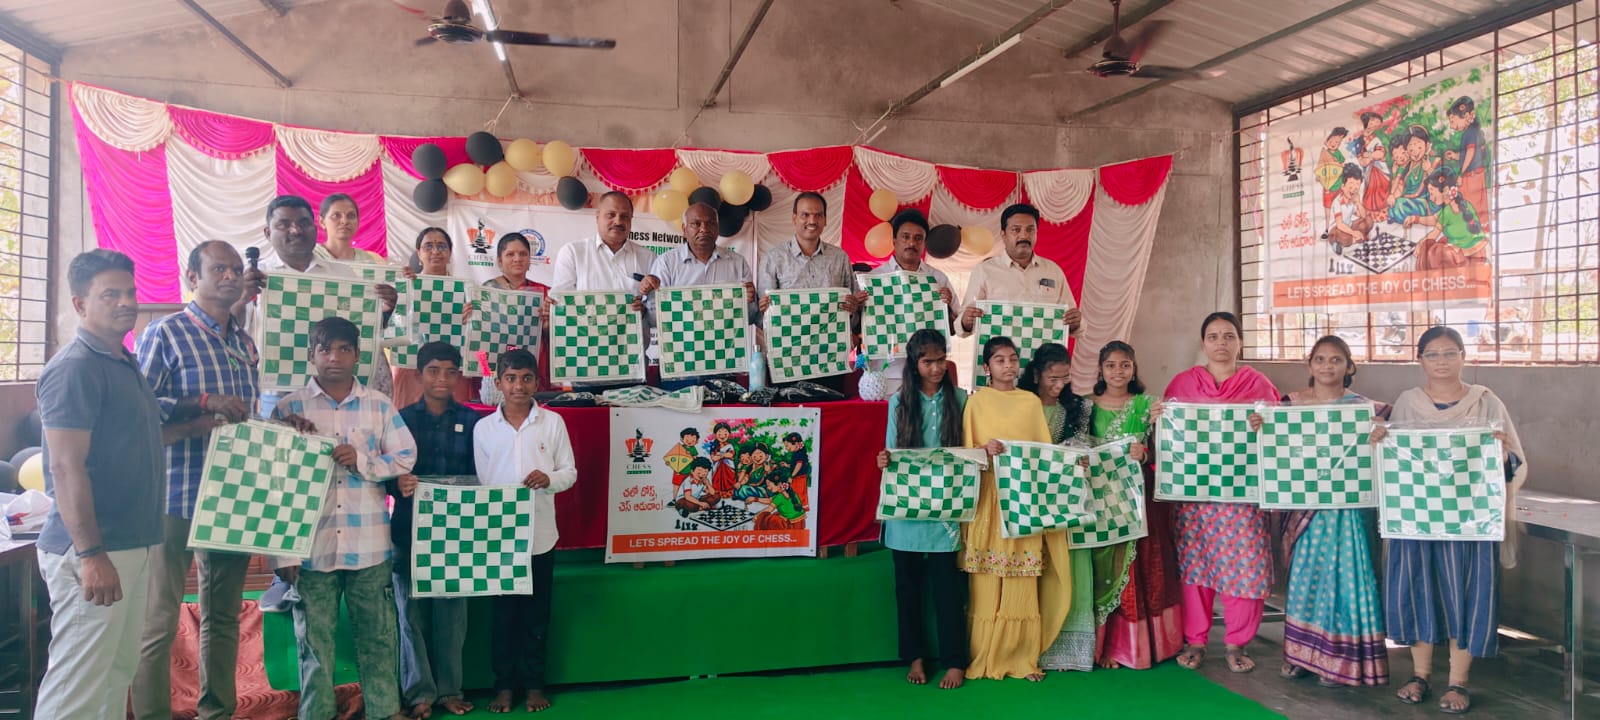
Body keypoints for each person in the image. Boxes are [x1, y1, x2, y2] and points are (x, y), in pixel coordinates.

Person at [244, 195, 398, 615]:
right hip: (278, 393)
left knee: (334, 480)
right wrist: (243, 297)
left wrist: (384, 312)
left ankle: (340, 561)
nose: (294, 231)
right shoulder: (256, 279)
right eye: (284, 224)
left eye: (302, 223)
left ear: (316, 228)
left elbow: (356, 336)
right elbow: (238, 337)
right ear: (268, 232)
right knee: (284, 482)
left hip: (333, 394)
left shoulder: (341, 275)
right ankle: (283, 573)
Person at [33, 250, 164, 720]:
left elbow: (136, 438)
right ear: (80, 303)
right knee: (76, 690)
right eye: (110, 294)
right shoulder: (76, 367)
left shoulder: (122, 360)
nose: (126, 302)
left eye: (129, 292)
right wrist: (91, 556)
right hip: (94, 550)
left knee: (114, 676)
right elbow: (65, 467)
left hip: (130, 544)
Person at [131, 241, 260, 720]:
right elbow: (139, 407)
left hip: (232, 495)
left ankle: (216, 712)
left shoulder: (243, 342)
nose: (229, 276)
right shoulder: (165, 332)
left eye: (234, 269)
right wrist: (203, 403)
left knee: (223, 617)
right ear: (192, 278)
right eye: (218, 269)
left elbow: (250, 411)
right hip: (174, 493)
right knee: (159, 619)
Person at [271, 317, 418, 720]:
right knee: (314, 646)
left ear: (357, 355)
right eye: (325, 350)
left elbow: (405, 456)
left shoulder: (378, 405)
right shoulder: (289, 409)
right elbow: (275, 486)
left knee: (378, 639)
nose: (334, 357)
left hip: (369, 546)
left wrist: (363, 461)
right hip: (310, 548)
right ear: (311, 355)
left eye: (343, 349)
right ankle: (316, 714)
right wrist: (281, 552)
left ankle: (384, 712)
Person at [1377, 326, 1526, 714]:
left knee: (1466, 592)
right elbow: (1394, 459)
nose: (1441, 361)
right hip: (1415, 519)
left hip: (1470, 519)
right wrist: (1379, 442)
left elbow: (1514, 462)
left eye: (1449, 353)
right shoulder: (1408, 403)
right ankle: (1420, 674)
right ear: (1420, 360)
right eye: (1432, 354)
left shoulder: (1486, 402)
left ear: (1463, 356)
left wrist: (1501, 454)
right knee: (1417, 589)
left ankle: (1458, 681)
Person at [1253, 335, 1390, 688]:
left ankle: (1341, 661)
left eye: (1336, 359)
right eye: (1320, 359)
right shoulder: (1289, 405)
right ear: (1310, 365)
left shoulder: (1368, 410)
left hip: (1348, 513)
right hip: (1304, 512)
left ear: (1349, 366)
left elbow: (1383, 457)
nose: (1327, 366)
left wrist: (1382, 437)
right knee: (1305, 578)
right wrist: (1261, 429)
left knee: (1347, 578)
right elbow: (1276, 452)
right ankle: (1300, 656)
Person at [1157, 311, 1279, 674]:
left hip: (1242, 497)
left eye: (1229, 336)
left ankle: (1237, 642)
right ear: (1203, 343)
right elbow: (1167, 441)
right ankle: (1195, 640)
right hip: (1196, 499)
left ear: (1240, 342)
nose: (1221, 343)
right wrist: (1158, 417)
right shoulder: (1182, 384)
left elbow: (1279, 441)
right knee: (1196, 565)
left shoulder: (1259, 386)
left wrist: (1266, 424)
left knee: (1245, 565)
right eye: (1213, 336)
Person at [959, 336, 1071, 681]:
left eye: (1012, 359)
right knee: (987, 578)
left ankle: (1023, 657)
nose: (1008, 366)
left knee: (1022, 577)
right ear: (986, 367)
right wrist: (983, 450)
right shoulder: (976, 403)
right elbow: (966, 454)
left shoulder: (1030, 403)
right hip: (989, 500)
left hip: (1023, 499)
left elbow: (1045, 454)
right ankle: (983, 654)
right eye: (1000, 360)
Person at [474, 348, 577, 713]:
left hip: (540, 535)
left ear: (537, 382)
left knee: (536, 614)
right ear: (498, 383)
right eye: (511, 378)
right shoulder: (484, 429)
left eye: (526, 378)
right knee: (504, 616)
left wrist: (549, 479)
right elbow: (484, 481)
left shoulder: (552, 423)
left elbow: (569, 472)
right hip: (500, 537)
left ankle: (534, 684)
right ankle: (504, 685)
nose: (518, 386)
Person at [874, 328, 969, 689]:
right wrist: (884, 460)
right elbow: (891, 451)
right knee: (907, 588)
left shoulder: (960, 399)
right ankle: (914, 657)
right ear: (914, 364)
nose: (936, 368)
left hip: (947, 508)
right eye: (928, 361)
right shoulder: (899, 402)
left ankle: (955, 661)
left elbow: (970, 447)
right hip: (906, 509)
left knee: (948, 590)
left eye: (941, 360)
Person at [392, 341, 481, 718]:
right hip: (408, 531)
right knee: (410, 614)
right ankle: (419, 694)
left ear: (459, 376)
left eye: (450, 371)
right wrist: (396, 483)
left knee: (452, 616)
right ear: (419, 375)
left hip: (455, 533)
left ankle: (449, 690)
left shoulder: (474, 422)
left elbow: (482, 475)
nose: (442, 379)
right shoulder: (400, 420)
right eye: (433, 371)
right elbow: (383, 473)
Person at [1083, 341, 1182, 670]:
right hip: (1099, 499)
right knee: (1104, 568)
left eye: (1125, 365)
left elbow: (1168, 452)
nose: (1118, 371)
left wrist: (1147, 452)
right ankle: (1104, 645)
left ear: (1133, 369)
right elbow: (1074, 447)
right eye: (1111, 365)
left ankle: (1135, 646)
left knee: (1140, 566)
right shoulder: (1085, 406)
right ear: (1100, 370)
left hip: (1138, 498)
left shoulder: (1148, 405)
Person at [1018, 343, 1095, 673]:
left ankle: (1068, 650)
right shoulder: (1022, 404)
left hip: (1065, 501)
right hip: (1029, 499)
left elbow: (1084, 445)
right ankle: (1029, 645)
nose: (1060, 385)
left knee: (1071, 569)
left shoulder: (1079, 408)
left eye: (1065, 378)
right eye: (1053, 378)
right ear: (1037, 375)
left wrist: (1081, 457)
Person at [642, 203, 757, 389]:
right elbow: (653, 320)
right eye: (696, 223)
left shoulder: (737, 263)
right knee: (677, 409)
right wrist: (656, 298)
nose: (704, 229)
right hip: (679, 367)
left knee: (724, 409)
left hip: (724, 365)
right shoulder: (666, 263)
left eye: (710, 223)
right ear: (684, 229)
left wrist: (749, 302)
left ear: (717, 228)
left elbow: (750, 318)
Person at [958, 203, 1082, 337]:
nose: (1024, 236)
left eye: (1030, 230)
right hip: (1000, 350)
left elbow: (1071, 319)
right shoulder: (984, 270)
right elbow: (961, 325)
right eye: (1016, 230)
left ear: (1036, 233)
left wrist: (1075, 322)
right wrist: (966, 320)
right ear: (1003, 235)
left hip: (1043, 349)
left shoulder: (1053, 271)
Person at [867, 209, 956, 393]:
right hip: (887, 373)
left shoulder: (937, 279)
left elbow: (955, 328)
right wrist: (860, 307)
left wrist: (946, 308)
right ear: (894, 240)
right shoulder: (873, 280)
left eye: (918, 238)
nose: (911, 243)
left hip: (928, 374)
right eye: (905, 237)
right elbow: (858, 328)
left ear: (924, 243)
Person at [391, 227, 477, 408]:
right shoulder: (405, 285)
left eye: (442, 246)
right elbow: (393, 327)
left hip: (453, 370)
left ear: (450, 253)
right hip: (412, 369)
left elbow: (478, 339)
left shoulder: (467, 290)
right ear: (419, 253)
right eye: (428, 246)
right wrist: (403, 291)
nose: (436, 251)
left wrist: (472, 320)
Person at [478, 232, 553, 387]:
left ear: (529, 260)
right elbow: (480, 338)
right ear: (500, 261)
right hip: (497, 369)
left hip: (534, 369)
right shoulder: (487, 291)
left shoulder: (545, 293)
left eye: (523, 254)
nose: (517, 259)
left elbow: (557, 339)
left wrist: (547, 327)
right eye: (510, 254)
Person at [551, 191, 656, 293]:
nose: (618, 221)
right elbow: (560, 300)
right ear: (597, 217)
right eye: (611, 215)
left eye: (624, 216)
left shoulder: (649, 258)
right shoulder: (573, 253)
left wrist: (642, 303)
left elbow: (655, 301)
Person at [1406, 167, 1487, 271]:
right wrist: (1416, 219)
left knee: (1430, 250)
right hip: (1479, 250)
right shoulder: (1464, 204)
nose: (1430, 198)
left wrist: (1420, 244)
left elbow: (1433, 234)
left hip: (1464, 256)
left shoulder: (1447, 212)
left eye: (1432, 193)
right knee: (1441, 242)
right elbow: (1434, 219)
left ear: (1445, 190)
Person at [1444, 96, 1488, 220]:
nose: (1452, 126)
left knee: (1469, 206)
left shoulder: (1470, 133)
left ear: (1465, 116)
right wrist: (1455, 156)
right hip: (1476, 175)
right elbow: (1470, 154)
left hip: (1471, 177)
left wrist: (1461, 174)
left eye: (1452, 121)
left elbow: (1470, 153)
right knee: (1476, 207)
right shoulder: (1472, 132)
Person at [314, 192, 385, 263]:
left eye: (351, 216)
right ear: (322, 222)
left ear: (358, 221)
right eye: (336, 216)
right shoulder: (313, 256)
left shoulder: (366, 259)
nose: (345, 221)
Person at [1327, 164, 1372, 247]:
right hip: (1336, 229)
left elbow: (1363, 216)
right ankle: (1354, 239)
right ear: (1343, 187)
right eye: (1350, 187)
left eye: (1356, 188)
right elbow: (1340, 224)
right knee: (1342, 237)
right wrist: (1353, 233)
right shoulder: (1337, 202)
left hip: (1349, 226)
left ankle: (1355, 238)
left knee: (1368, 220)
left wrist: (1358, 203)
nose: (1353, 190)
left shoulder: (1353, 200)